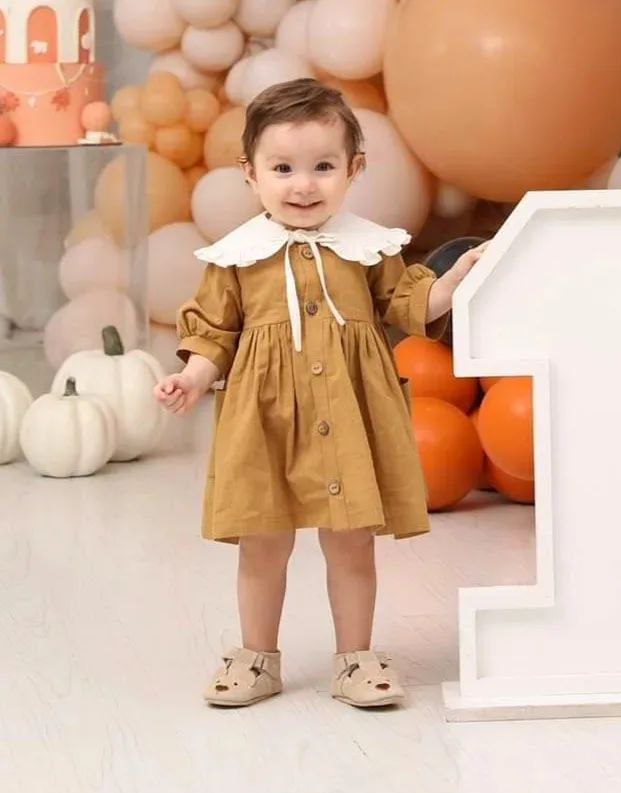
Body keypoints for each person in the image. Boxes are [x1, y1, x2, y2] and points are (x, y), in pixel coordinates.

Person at [153, 78, 487, 710]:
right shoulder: (237, 256)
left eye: (323, 167)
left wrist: (454, 280)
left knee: (351, 540)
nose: (303, 185)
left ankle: (355, 658)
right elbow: (214, 332)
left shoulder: (368, 247)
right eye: (283, 168)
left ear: (353, 170)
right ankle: (257, 657)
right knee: (263, 541)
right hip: (266, 421)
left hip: (348, 414)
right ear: (250, 173)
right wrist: (192, 377)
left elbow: (410, 304)